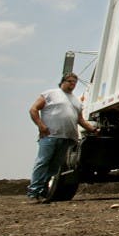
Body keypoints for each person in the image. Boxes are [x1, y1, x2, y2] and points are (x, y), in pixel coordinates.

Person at [25, 73, 98, 202]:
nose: (72, 84)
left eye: (74, 82)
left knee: (54, 167)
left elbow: (80, 120)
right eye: (69, 81)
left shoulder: (76, 101)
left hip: (67, 138)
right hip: (50, 136)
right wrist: (41, 126)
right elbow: (33, 109)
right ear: (62, 82)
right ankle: (33, 192)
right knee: (43, 162)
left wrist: (92, 129)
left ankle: (43, 192)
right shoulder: (50, 94)